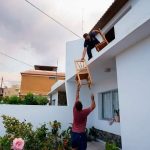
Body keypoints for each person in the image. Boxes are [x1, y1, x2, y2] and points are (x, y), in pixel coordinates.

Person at [71, 84, 96, 150]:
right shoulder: (84, 112)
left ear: (75, 106)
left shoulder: (74, 110)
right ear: (82, 106)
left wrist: (78, 89)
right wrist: (93, 99)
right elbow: (93, 106)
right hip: (81, 135)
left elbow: (77, 97)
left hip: (74, 134)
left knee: (74, 148)